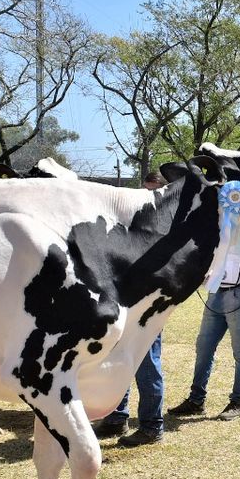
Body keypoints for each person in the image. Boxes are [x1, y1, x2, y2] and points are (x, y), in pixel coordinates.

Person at [96, 170, 168, 446]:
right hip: (123, 306)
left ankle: (152, 425)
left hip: (148, 310)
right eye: (143, 191)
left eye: (152, 192)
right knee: (118, 362)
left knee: (147, 365)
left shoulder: (164, 230)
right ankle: (117, 417)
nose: (146, 198)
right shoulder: (130, 224)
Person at [167, 254, 240, 422]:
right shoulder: (223, 227)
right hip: (216, 290)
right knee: (204, 347)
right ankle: (196, 400)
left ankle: (237, 402)